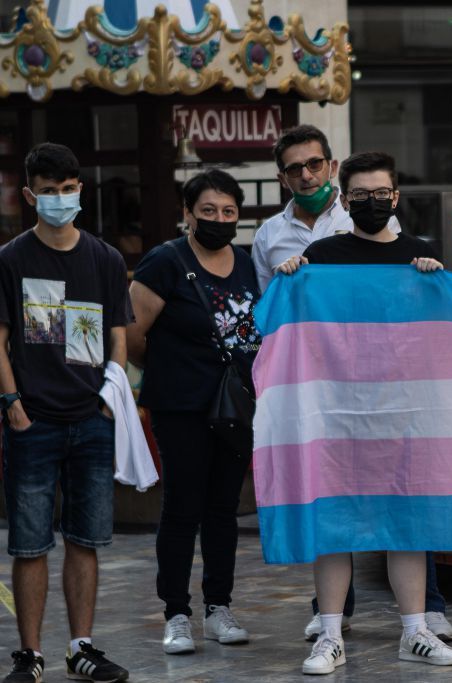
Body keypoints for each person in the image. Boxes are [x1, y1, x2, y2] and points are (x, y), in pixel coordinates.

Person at [254, 126, 452, 644]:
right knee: (334, 520)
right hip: (337, 411)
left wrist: (434, 284)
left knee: (406, 520)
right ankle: (331, 634)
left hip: (400, 409)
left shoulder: (420, 257)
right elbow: (284, 324)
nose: (371, 202)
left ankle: (416, 630)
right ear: (347, 196)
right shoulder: (321, 257)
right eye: (360, 195)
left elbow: (443, 336)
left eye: (380, 194)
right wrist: (292, 277)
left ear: (395, 197)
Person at [0, 143, 130, 683]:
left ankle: (82, 648)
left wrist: (109, 399)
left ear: (81, 189)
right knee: (30, 544)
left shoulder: (105, 258)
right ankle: (30, 655)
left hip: (90, 419)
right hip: (33, 421)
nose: (59, 199)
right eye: (48, 191)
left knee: (86, 539)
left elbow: (119, 337)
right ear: (31, 195)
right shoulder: (10, 259)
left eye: (68, 188)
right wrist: (11, 404)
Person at [127, 170, 260, 656]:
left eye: (228, 212)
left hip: (236, 406)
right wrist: (172, 370)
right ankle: (177, 613)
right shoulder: (164, 262)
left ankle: (219, 607)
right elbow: (134, 335)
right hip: (180, 405)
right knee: (182, 508)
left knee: (224, 510)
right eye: (208, 211)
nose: (219, 220)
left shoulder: (244, 262)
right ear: (188, 213)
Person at [251, 124, 400, 292]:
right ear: (283, 180)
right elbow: (267, 303)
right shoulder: (267, 236)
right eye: (294, 169)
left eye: (315, 164)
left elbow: (396, 283)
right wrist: (282, 281)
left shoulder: (374, 217)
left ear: (333, 168)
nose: (306, 176)